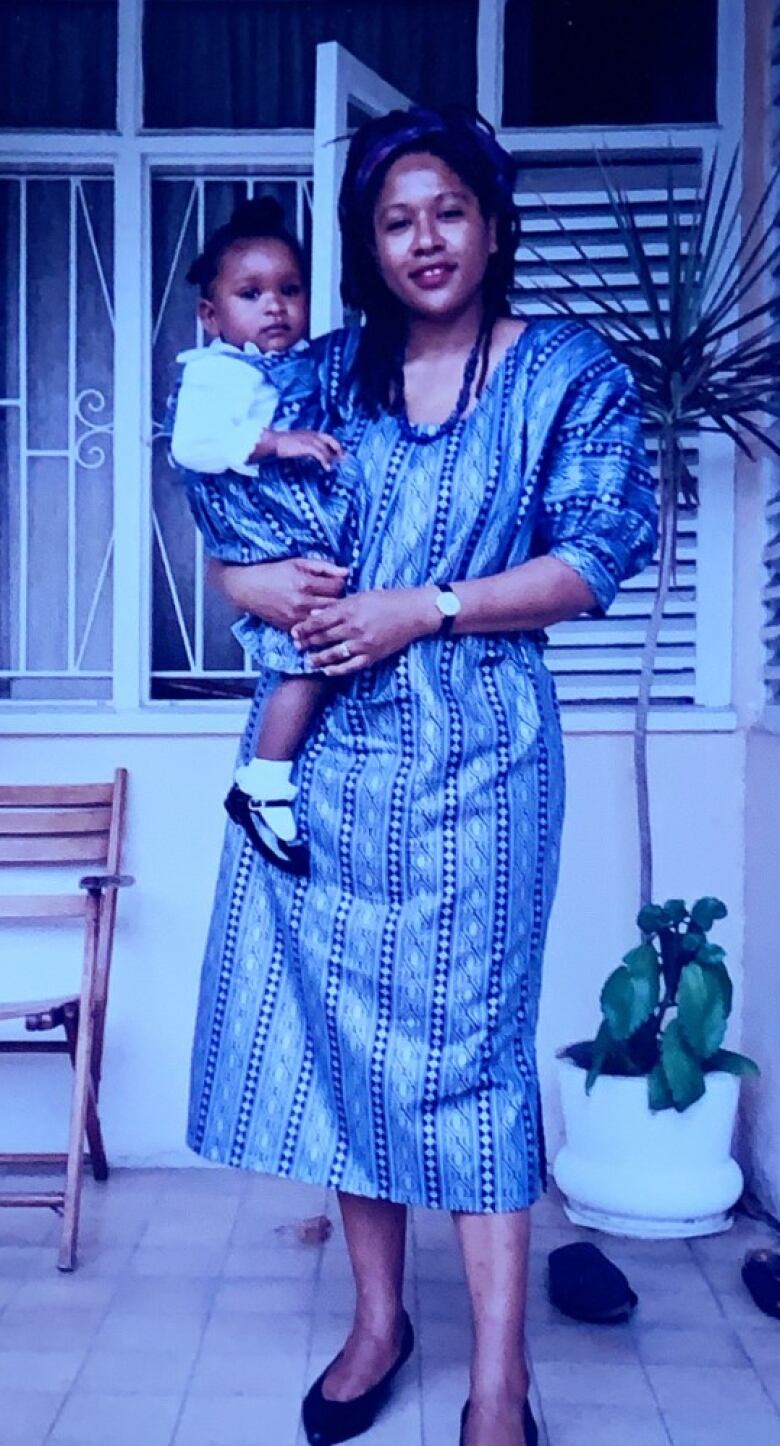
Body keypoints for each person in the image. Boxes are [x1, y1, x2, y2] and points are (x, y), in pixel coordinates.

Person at [187, 107, 657, 1446]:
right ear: (368, 243)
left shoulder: (568, 370)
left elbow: (597, 555)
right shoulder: (323, 374)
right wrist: (242, 579)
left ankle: (497, 1380)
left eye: (448, 209)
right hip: (323, 761)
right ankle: (379, 1320)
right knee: (352, 1049)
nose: (424, 239)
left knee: (478, 1057)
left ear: (494, 222)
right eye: (395, 220)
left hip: (481, 755)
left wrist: (429, 606)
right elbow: (222, 489)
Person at [169, 196, 358, 873]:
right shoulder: (216, 371)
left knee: (312, 652)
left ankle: (269, 779)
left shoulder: (299, 363)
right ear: (210, 316)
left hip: (282, 527)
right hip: (257, 531)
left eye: (290, 289)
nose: (275, 306)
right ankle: (263, 782)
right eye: (251, 294)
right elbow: (191, 446)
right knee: (303, 658)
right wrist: (276, 442)